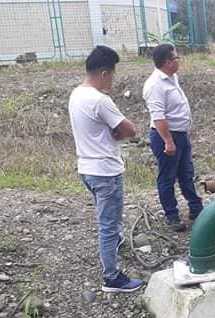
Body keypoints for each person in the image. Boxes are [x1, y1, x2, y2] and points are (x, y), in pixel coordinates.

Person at [69, 46, 143, 293]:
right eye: (112, 73)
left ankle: (113, 245)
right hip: (106, 172)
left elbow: (101, 130)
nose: (114, 78)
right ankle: (112, 278)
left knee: (108, 221)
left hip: (87, 169)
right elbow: (131, 131)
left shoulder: (76, 94)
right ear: (103, 73)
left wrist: (114, 132)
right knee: (108, 224)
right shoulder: (100, 100)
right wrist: (119, 132)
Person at [143, 43, 203, 231]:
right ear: (167, 62)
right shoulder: (155, 85)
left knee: (186, 173)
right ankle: (172, 215)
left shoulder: (172, 78)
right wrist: (168, 141)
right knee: (167, 177)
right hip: (166, 137)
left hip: (180, 134)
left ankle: (196, 208)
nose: (178, 61)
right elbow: (158, 116)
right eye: (176, 58)